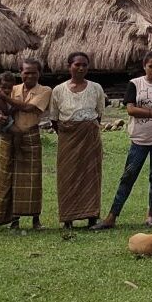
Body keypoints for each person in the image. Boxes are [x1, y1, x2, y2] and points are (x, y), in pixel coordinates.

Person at [97, 51, 152, 230]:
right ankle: (112, 216)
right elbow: (131, 110)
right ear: (144, 66)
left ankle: (151, 215)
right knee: (128, 176)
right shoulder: (135, 84)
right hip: (139, 138)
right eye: (151, 66)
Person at [0, 58, 51, 230]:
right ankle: (11, 219)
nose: (30, 75)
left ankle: (35, 220)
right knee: (8, 176)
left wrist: (2, 96)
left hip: (30, 134)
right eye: (26, 72)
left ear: (39, 73)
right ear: (21, 73)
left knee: (32, 178)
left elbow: (28, 108)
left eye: (34, 72)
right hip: (9, 136)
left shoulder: (45, 90)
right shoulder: (12, 87)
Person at [48, 51, 107, 229]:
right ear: (69, 66)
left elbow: (99, 114)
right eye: (77, 65)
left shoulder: (96, 88)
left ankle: (91, 216)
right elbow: (54, 118)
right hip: (67, 137)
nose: (81, 68)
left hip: (90, 136)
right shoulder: (58, 90)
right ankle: (68, 218)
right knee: (67, 175)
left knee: (91, 174)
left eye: (84, 65)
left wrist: (87, 129)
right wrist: (69, 133)